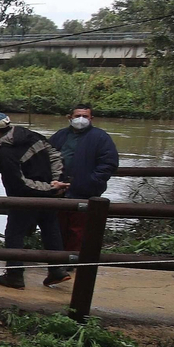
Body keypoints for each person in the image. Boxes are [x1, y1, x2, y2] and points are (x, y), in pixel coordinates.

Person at [0, 112, 71, 290]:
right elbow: (55, 156)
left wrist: (49, 186)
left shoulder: (4, 151)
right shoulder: (31, 135)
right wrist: (55, 182)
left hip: (25, 198)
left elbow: (17, 182)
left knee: (14, 234)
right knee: (51, 230)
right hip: (49, 193)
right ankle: (57, 270)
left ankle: (14, 276)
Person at [47, 105, 119, 251]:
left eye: (85, 116)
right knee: (56, 227)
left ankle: (72, 260)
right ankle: (56, 259)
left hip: (84, 191)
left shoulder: (100, 137)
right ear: (70, 117)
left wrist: (91, 181)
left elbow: (109, 163)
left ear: (91, 118)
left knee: (78, 230)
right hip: (58, 190)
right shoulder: (60, 135)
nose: (81, 119)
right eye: (77, 115)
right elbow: (45, 156)